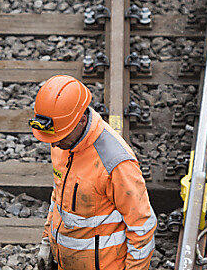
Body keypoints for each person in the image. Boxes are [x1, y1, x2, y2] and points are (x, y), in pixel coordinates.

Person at [29, 75, 156, 270]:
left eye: (59, 136)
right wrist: (47, 242)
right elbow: (58, 197)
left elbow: (142, 226)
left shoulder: (115, 162)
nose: (53, 143)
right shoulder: (62, 141)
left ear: (81, 121)